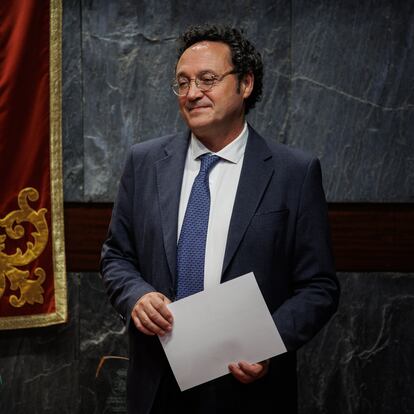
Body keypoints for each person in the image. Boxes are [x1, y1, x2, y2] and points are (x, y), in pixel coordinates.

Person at [101, 24, 339, 414]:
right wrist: (136, 296)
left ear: (245, 84)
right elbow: (116, 256)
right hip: (157, 384)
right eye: (182, 82)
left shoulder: (293, 172)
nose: (192, 93)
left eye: (207, 80)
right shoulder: (144, 163)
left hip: (250, 387)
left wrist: (267, 343)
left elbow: (319, 286)